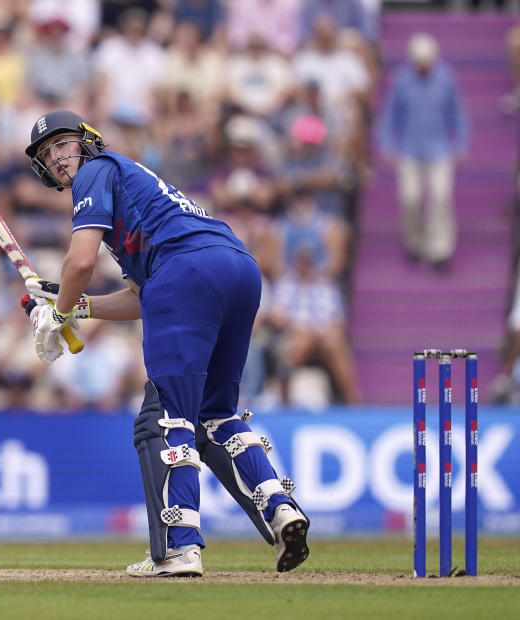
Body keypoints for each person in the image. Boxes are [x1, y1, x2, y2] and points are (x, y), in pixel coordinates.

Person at [22, 110, 310, 577]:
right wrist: (78, 309)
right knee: (215, 415)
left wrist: (55, 317)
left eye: (63, 144)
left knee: (167, 417)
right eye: (46, 153)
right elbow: (141, 297)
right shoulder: (134, 185)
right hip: (237, 268)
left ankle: (180, 549)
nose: (56, 158)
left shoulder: (95, 171)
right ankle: (280, 509)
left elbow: (79, 264)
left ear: (87, 142)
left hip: (185, 273)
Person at [378, 33, 469, 269]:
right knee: (410, 198)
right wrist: (388, 144)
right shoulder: (401, 80)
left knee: (441, 197)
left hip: (440, 149)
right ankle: (416, 243)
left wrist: (460, 143)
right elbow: (391, 115)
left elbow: (457, 112)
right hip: (409, 148)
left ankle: (440, 250)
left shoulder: (446, 79)